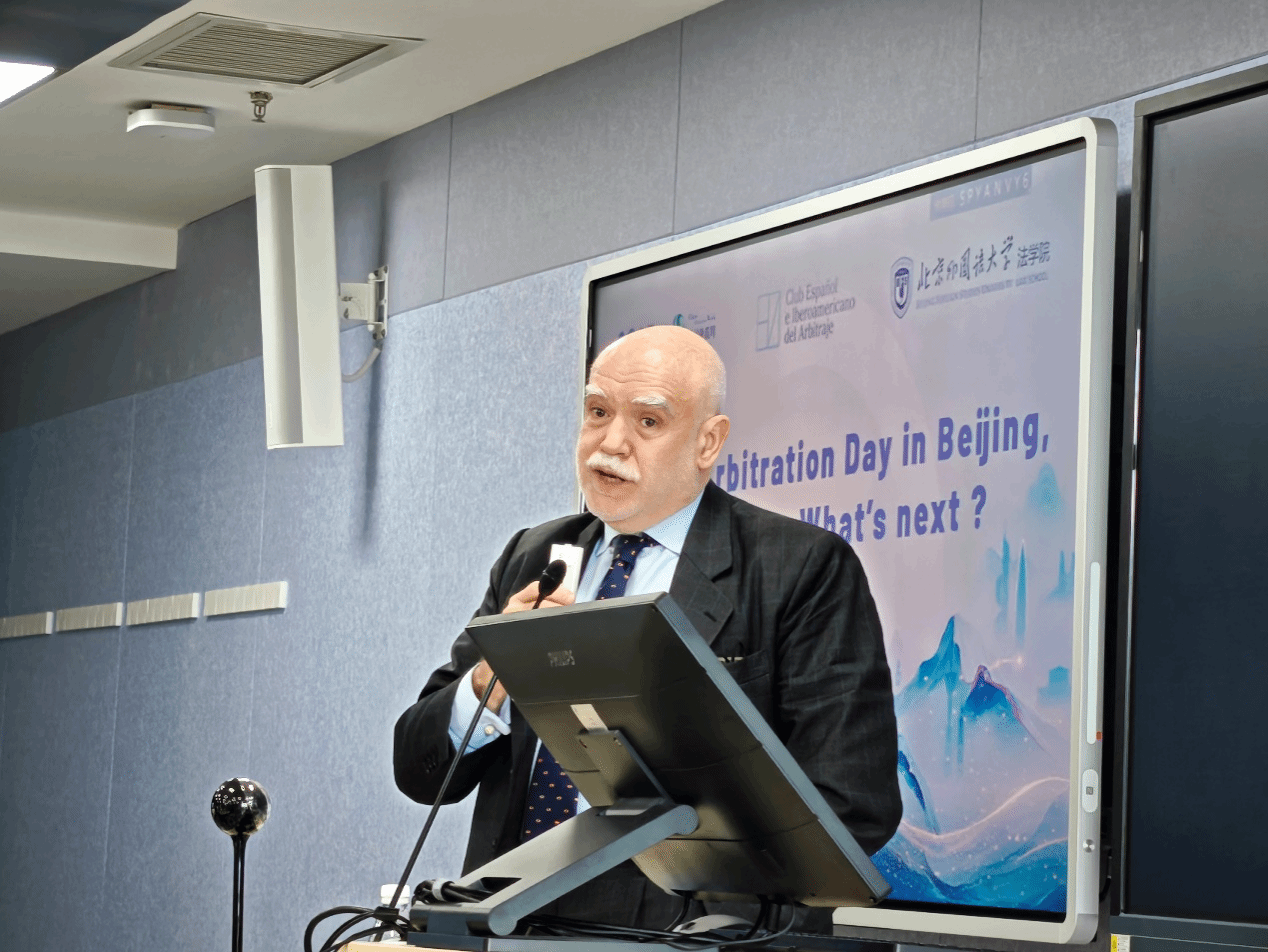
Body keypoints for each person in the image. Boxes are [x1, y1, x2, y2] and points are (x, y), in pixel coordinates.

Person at [394, 325, 900, 929]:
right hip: (508, 921)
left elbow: (850, 803)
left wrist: (712, 920)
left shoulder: (798, 567)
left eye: (648, 421)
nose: (610, 443)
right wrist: (487, 683)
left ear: (708, 442)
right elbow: (418, 771)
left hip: (681, 931)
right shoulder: (535, 556)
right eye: (597, 412)